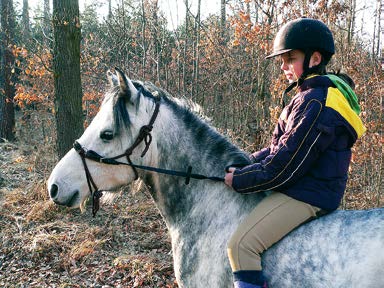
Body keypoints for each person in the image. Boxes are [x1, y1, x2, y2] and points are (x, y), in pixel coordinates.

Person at [224, 17, 366, 288]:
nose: (284, 66)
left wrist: (241, 180)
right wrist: (244, 162)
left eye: (290, 58)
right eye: (283, 59)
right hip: (303, 188)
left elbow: (286, 165)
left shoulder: (317, 102)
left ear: (314, 58)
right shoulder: (306, 98)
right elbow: (278, 148)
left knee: (240, 246)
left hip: (307, 194)